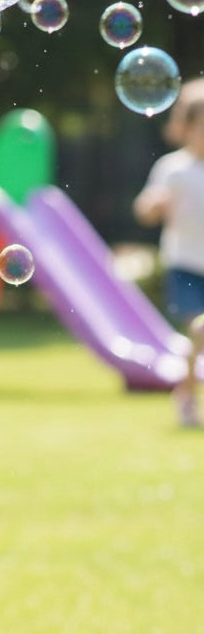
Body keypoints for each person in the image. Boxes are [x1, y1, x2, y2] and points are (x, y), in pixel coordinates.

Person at [133, 81, 204, 427]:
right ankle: (188, 395)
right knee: (200, 331)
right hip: (185, 266)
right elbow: (144, 210)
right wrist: (154, 205)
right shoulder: (172, 168)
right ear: (186, 128)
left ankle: (187, 390)